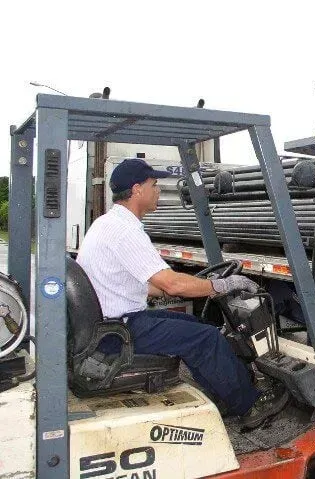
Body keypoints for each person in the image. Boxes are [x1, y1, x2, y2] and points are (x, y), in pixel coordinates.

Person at [76, 158, 289, 428]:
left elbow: (133, 281)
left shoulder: (109, 224)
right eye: (154, 185)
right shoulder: (124, 231)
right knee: (207, 338)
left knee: (200, 325)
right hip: (117, 333)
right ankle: (250, 407)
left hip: (115, 322)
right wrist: (223, 285)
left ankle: (223, 395)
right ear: (137, 189)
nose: (158, 191)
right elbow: (172, 283)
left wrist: (174, 289)